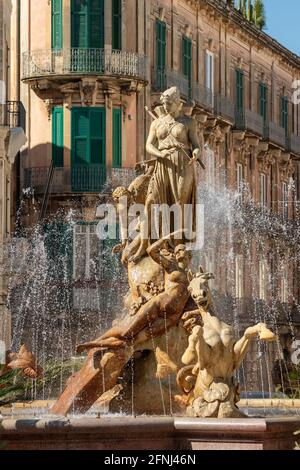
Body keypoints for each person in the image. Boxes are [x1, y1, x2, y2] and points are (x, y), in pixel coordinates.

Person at [76, 231, 192, 352]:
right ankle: (95, 342)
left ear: (190, 255)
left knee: (131, 341)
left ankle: (95, 346)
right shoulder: (171, 266)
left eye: (181, 250)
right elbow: (151, 250)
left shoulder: (191, 275)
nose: (177, 253)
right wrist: (166, 238)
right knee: (127, 331)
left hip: (172, 316)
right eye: (176, 250)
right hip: (158, 305)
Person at [130, 87, 202, 262]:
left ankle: (177, 244)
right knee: (151, 202)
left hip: (183, 164)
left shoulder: (188, 122)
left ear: (178, 103)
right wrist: (159, 153)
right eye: (164, 103)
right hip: (162, 163)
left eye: (169, 103)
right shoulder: (157, 123)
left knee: (179, 203)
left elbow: (196, 145)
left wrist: (196, 154)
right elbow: (148, 145)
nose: (166, 106)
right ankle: (143, 246)